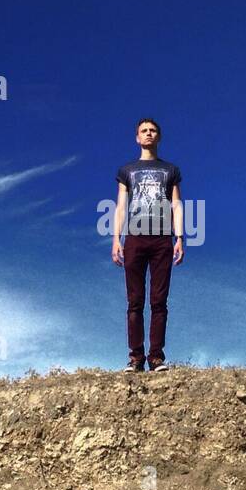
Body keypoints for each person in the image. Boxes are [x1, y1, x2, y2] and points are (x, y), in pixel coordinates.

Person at [111, 117, 184, 371]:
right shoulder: (127, 170)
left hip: (162, 239)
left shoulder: (170, 170)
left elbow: (176, 204)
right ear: (137, 137)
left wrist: (180, 238)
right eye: (144, 131)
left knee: (159, 301)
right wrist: (116, 240)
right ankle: (135, 357)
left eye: (153, 130)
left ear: (159, 137)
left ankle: (156, 357)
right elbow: (121, 206)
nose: (148, 133)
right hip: (134, 237)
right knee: (134, 300)